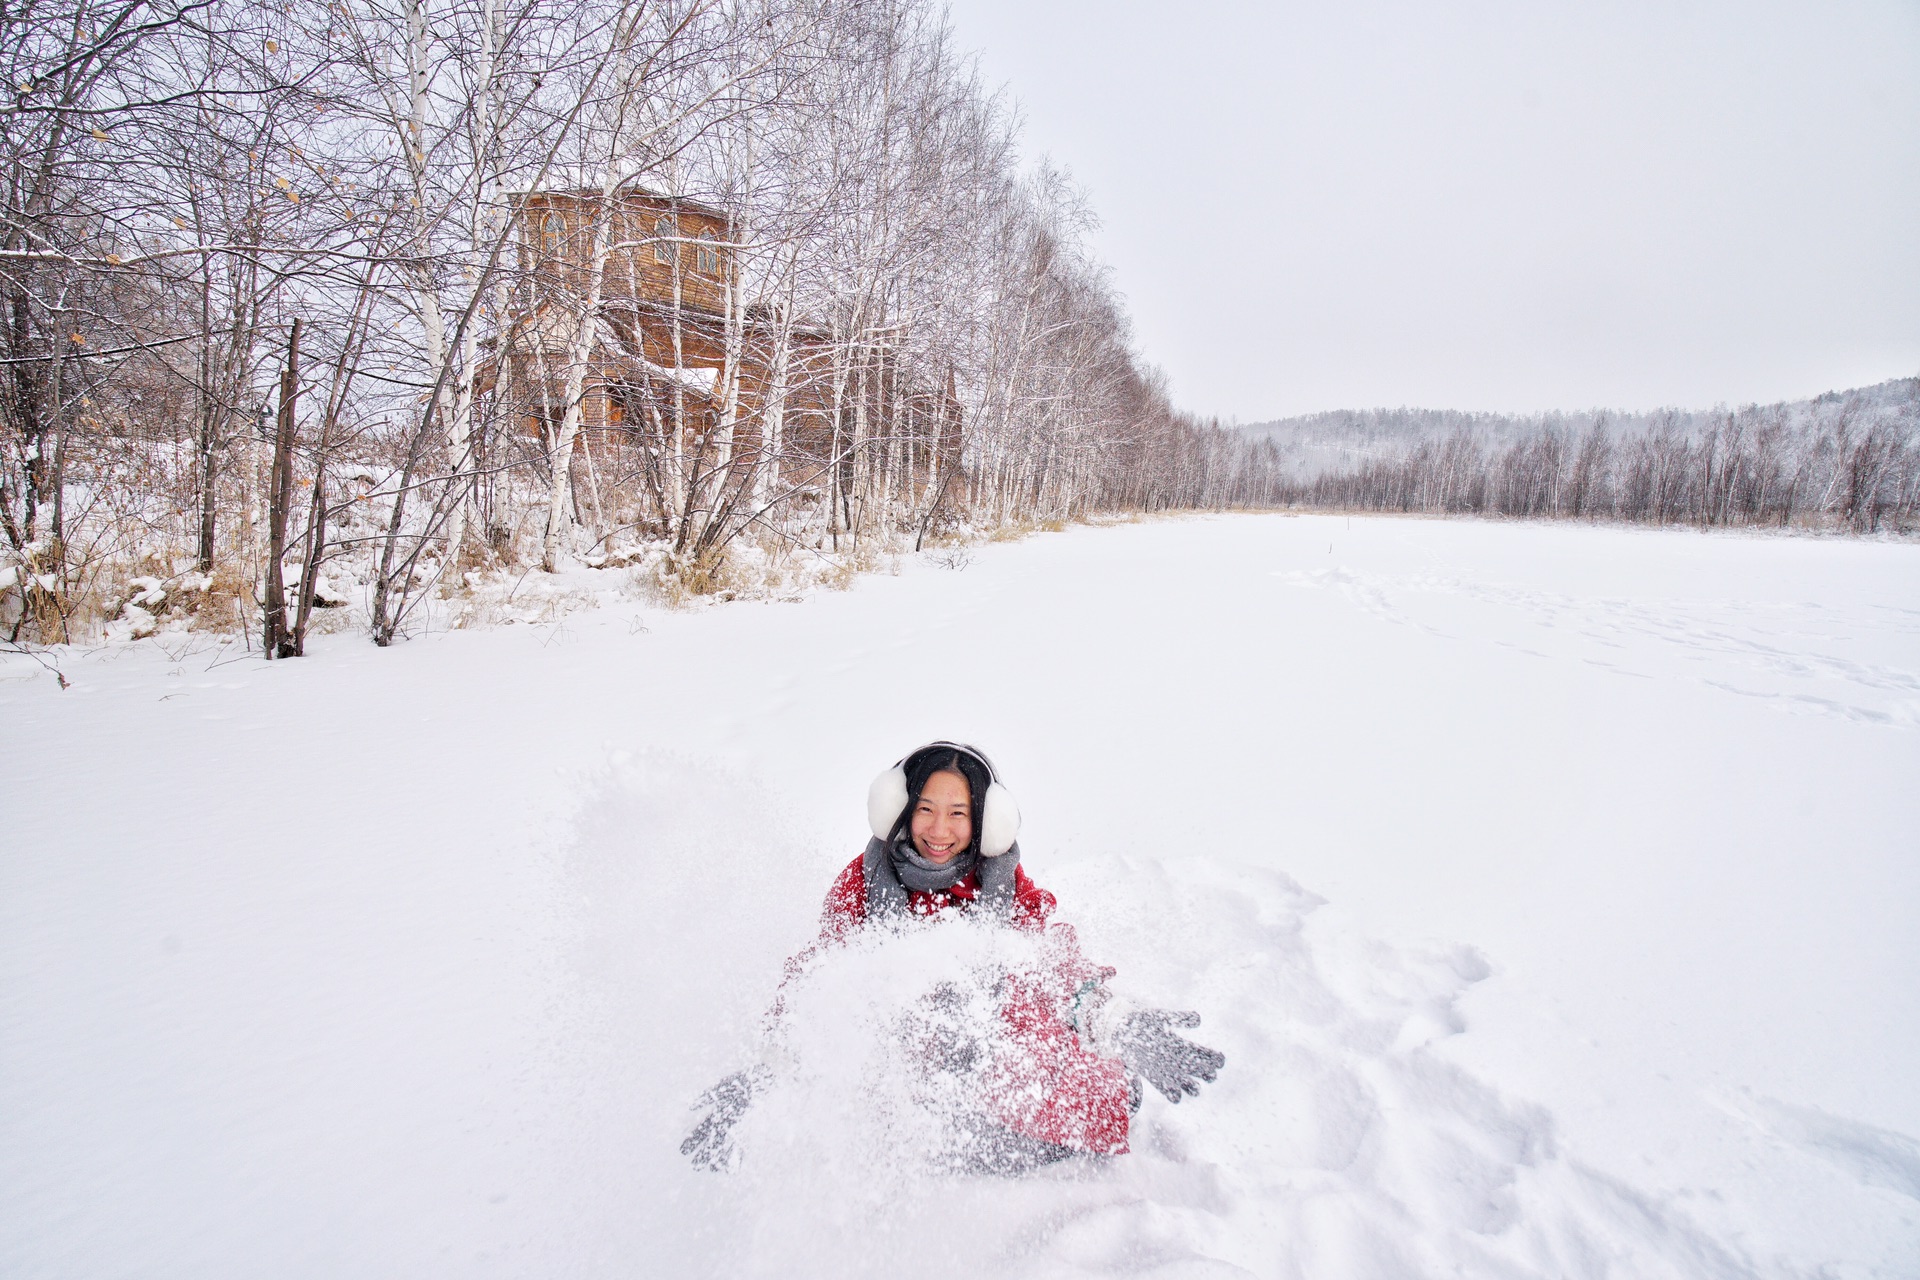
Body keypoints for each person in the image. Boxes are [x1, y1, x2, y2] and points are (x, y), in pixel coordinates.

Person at [682, 742, 1224, 1172]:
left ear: (986, 821)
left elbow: (1053, 961)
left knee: (1096, 1097)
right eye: (925, 809)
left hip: (986, 1050)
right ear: (899, 808)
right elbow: (819, 980)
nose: (939, 831)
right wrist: (770, 1074)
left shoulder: (1002, 885)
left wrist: (1115, 1022)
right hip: (898, 1066)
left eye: (959, 813)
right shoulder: (863, 883)